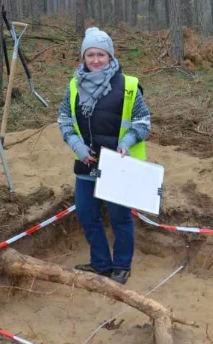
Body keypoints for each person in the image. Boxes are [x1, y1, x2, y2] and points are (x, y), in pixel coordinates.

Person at [57, 27, 151, 285]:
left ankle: (121, 265)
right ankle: (100, 263)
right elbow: (64, 118)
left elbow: (143, 121)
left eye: (101, 54)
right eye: (90, 55)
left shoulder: (129, 85)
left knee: (120, 217)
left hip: (118, 165)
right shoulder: (74, 85)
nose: (96, 60)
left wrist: (127, 142)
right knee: (87, 214)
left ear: (110, 56)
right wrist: (76, 145)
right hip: (87, 164)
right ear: (83, 57)